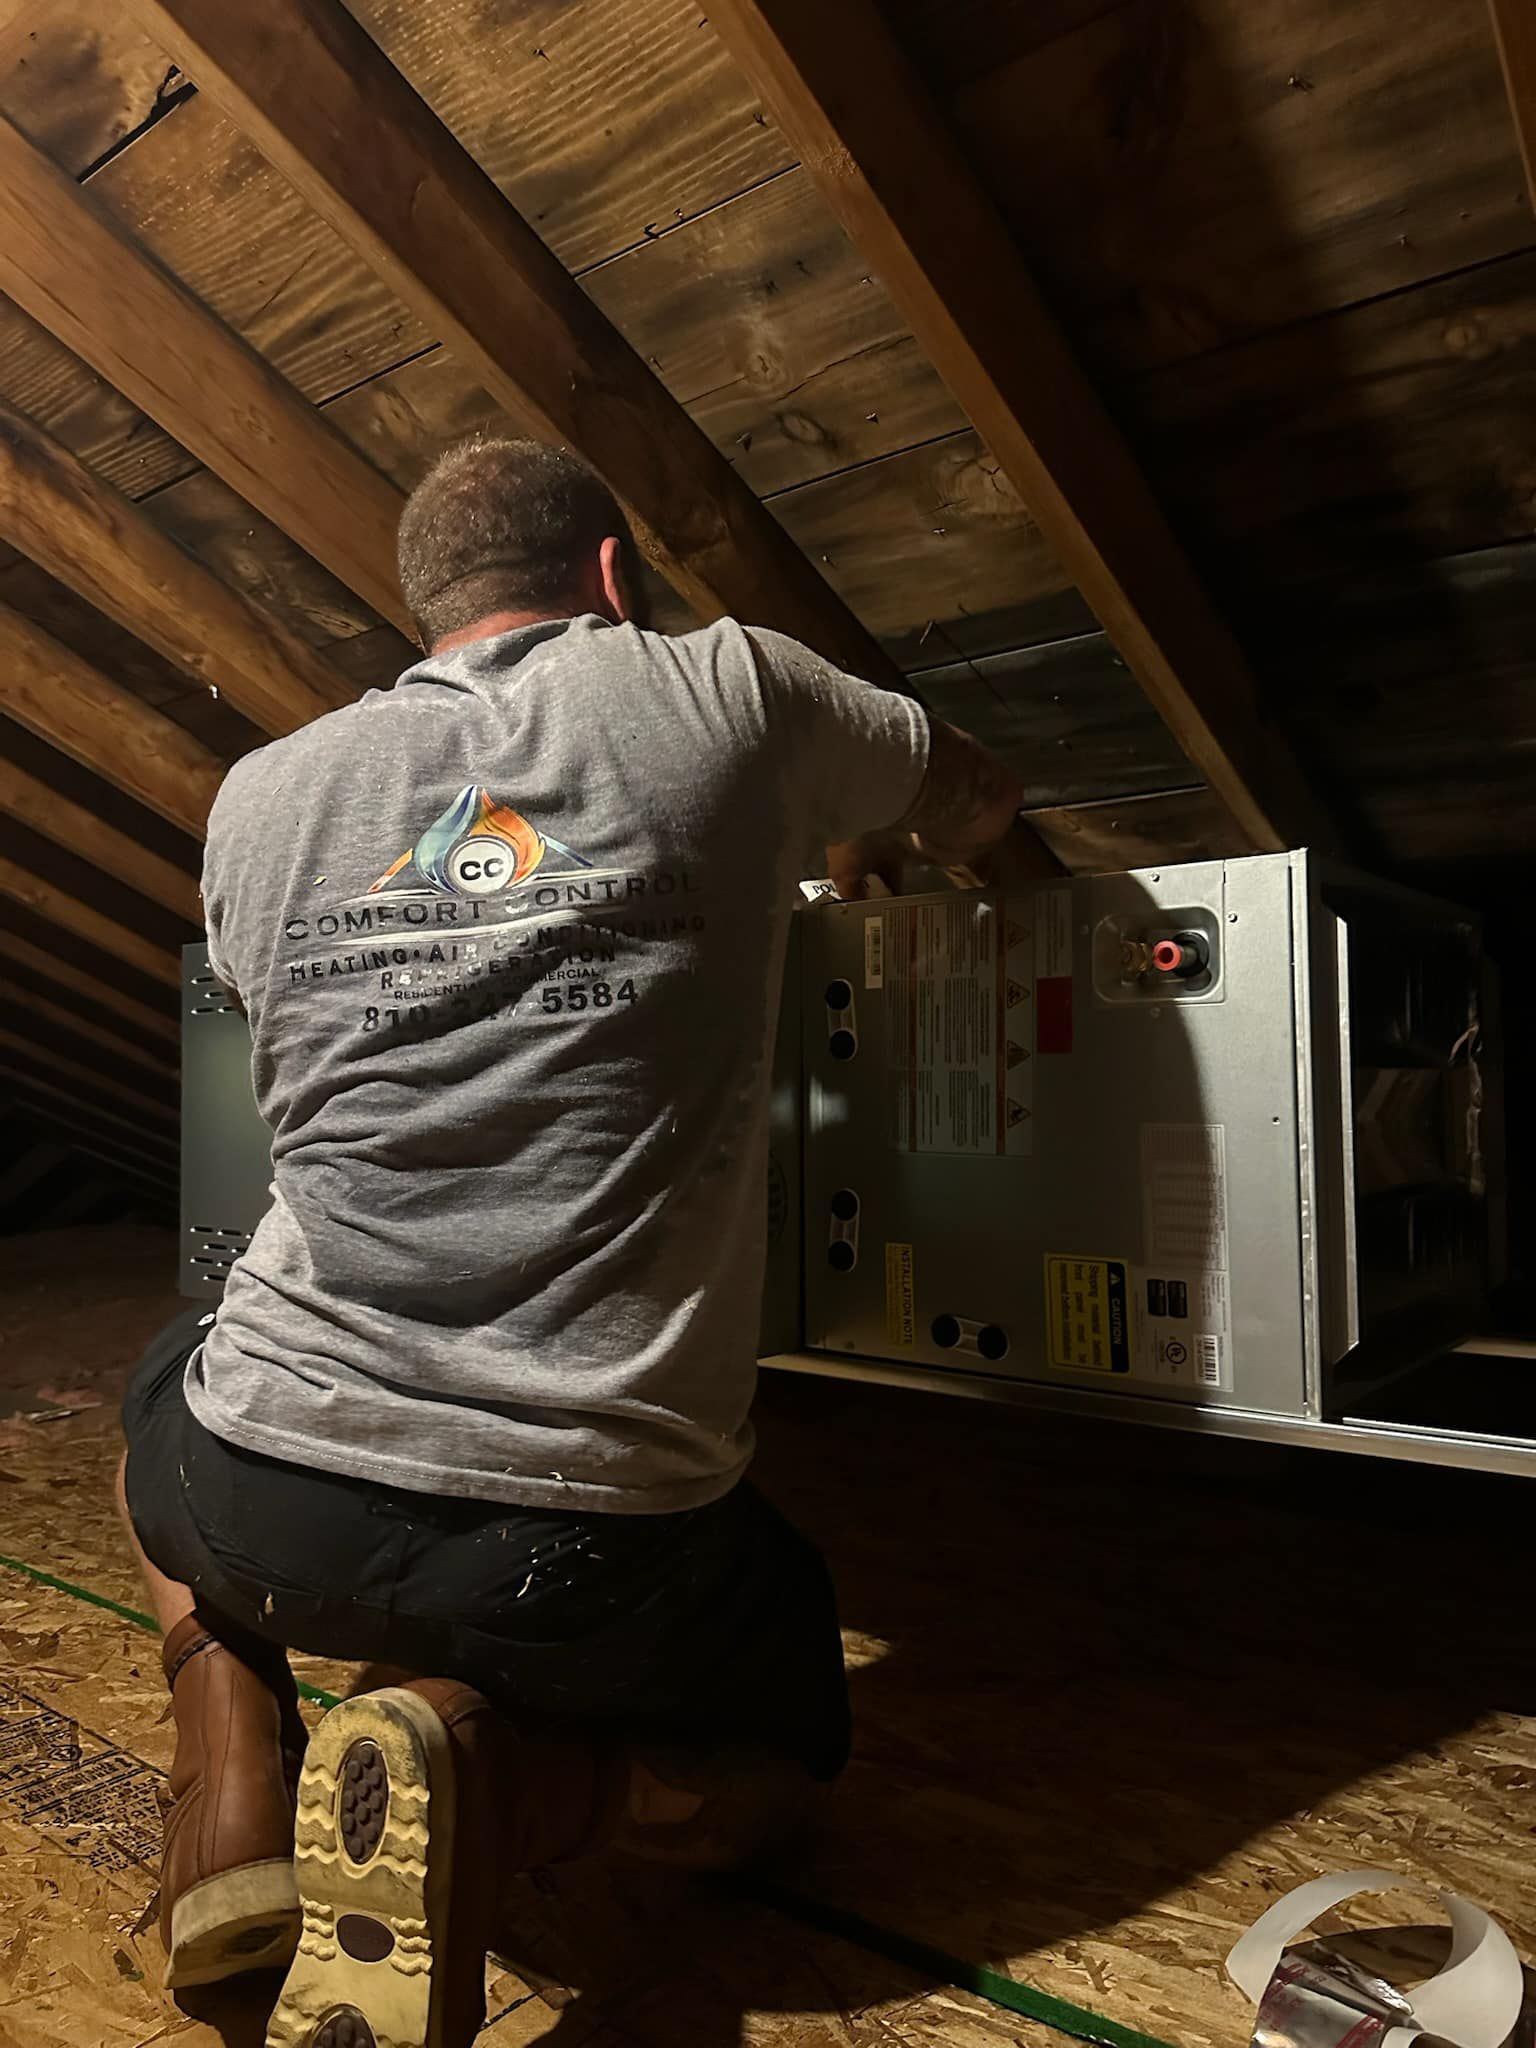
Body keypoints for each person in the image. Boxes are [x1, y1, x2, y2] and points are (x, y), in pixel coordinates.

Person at [118, 436, 1026, 2048]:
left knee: (159, 1401)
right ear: (613, 577)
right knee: (777, 1769)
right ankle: (509, 1785)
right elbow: (978, 797)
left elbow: (283, 1022)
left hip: (270, 1493)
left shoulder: (260, 792)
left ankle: (233, 1768)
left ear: (424, 608)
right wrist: (887, 860)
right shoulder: (731, 688)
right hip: (591, 1548)